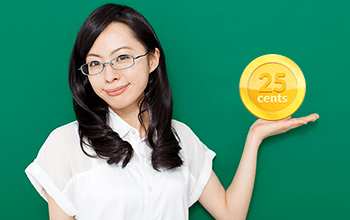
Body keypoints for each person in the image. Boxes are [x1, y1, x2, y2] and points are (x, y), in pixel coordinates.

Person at [25, 3, 319, 220]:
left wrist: (254, 137)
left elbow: (231, 214)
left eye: (122, 58)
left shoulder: (179, 136)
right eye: (95, 64)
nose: (109, 75)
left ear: (152, 59)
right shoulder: (64, 144)